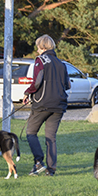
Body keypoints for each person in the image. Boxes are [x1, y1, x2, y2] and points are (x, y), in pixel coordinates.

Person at [23, 34, 70, 177]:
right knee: (51, 138)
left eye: (38, 48)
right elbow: (67, 85)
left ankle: (38, 162)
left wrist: (27, 93)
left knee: (31, 132)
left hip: (42, 104)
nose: (37, 51)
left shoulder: (40, 60)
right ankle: (51, 170)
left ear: (43, 47)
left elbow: (37, 82)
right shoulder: (61, 64)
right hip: (59, 104)